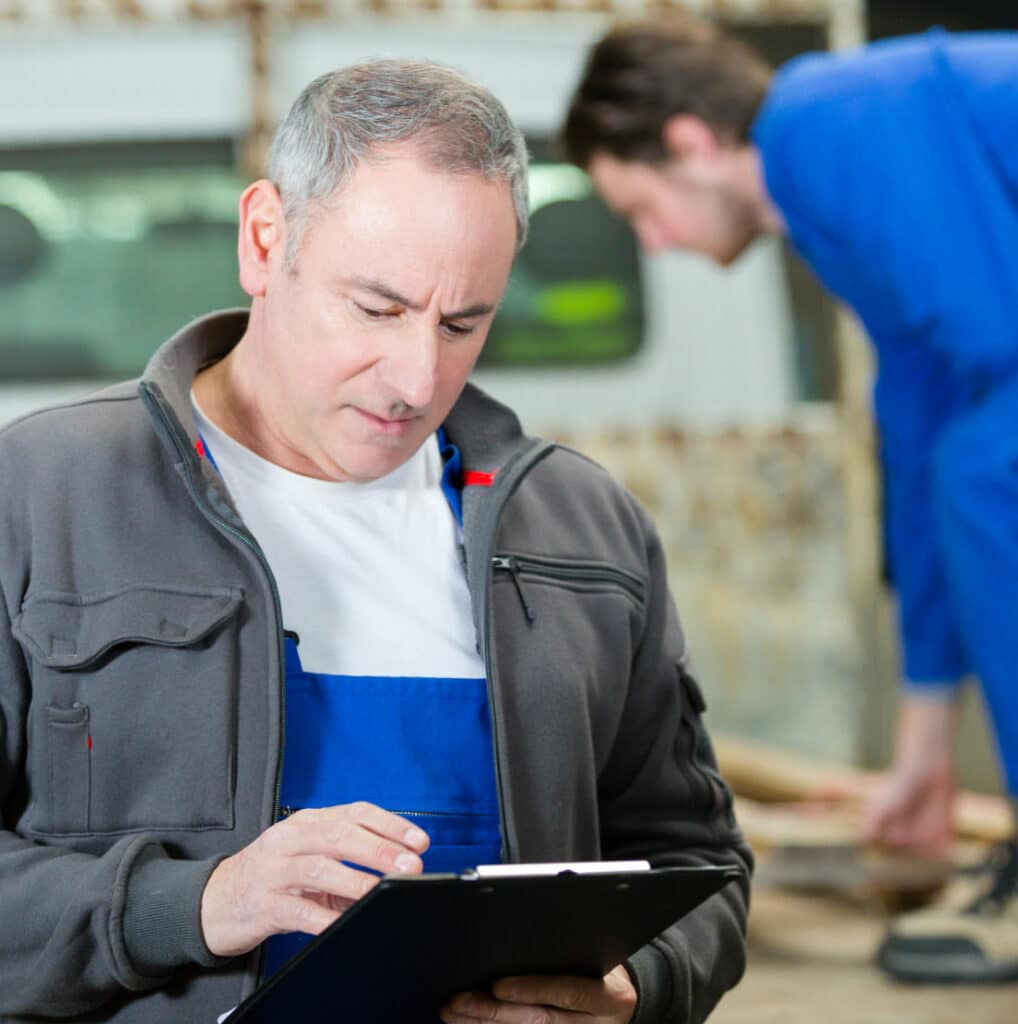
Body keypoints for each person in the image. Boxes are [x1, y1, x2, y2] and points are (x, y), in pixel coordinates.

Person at [0, 59, 750, 1023]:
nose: (413, 375)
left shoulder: (581, 527)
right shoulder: (40, 496)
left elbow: (699, 865)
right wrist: (187, 905)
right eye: (377, 308)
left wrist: (635, 990)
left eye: (464, 323)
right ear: (266, 240)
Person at [562, 15, 1018, 984]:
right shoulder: (826, 193)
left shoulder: (820, 124)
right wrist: (920, 755)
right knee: (955, 464)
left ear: (688, 141)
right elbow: (921, 423)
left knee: (984, 466)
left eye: (641, 209)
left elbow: (991, 347)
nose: (656, 242)